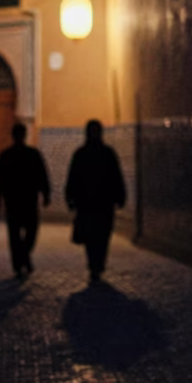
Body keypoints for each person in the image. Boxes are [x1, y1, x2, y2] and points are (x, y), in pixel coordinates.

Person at [65, 119, 126, 284]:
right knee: (97, 236)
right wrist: (120, 197)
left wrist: (70, 198)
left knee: (98, 235)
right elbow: (116, 176)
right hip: (98, 204)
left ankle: (96, 264)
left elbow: (116, 177)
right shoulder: (106, 153)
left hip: (92, 203)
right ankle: (96, 264)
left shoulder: (82, 154)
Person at [0, 122, 51, 279]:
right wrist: (46, 195)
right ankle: (21, 261)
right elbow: (43, 176)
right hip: (24, 200)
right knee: (26, 231)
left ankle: (21, 259)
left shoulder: (10, 155)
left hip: (18, 200)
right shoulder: (29, 154)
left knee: (19, 233)